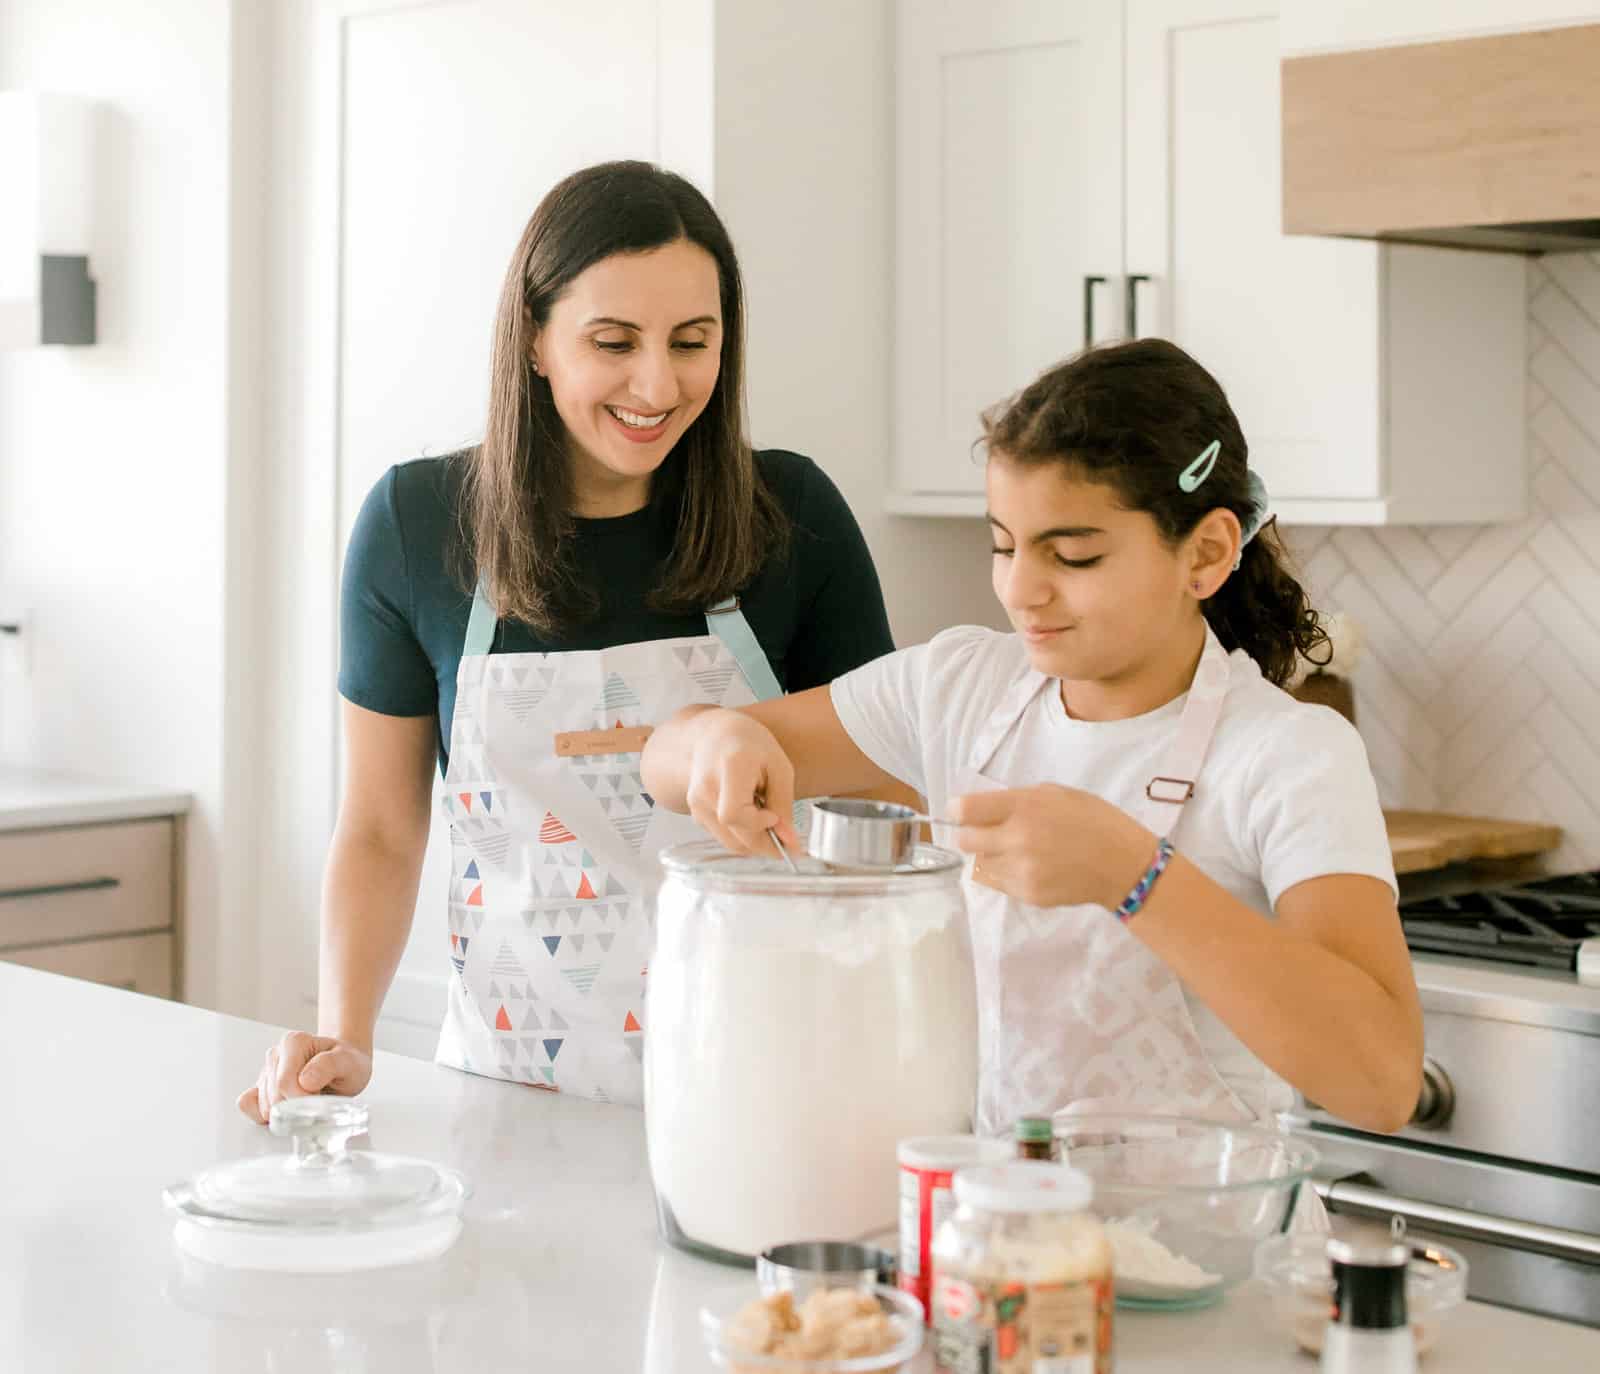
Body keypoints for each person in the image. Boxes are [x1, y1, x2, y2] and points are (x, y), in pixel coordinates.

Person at [239, 161, 897, 1122]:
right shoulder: (418, 526)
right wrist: (346, 1036)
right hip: (505, 1091)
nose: (657, 382)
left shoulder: (792, 514)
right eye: (613, 342)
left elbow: (888, 786)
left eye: (692, 341)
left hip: (762, 1091)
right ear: (537, 341)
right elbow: (381, 829)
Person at [642, 338, 1424, 1136]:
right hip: (998, 1243)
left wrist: (1135, 876)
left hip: (1203, 1250)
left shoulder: (1289, 757)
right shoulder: (956, 689)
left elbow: (1383, 1083)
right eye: (1004, 545)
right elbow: (663, 760)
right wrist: (714, 743)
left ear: (1208, 552)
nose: (1020, 590)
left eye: (1073, 555)